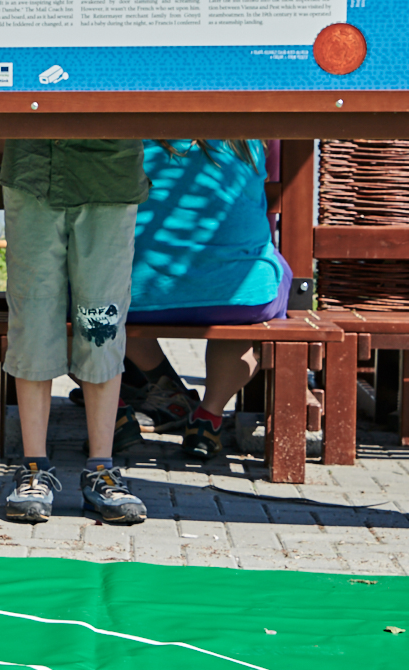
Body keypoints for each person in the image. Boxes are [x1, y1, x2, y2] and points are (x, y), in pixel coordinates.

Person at [0, 138, 148, 526]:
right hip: (33, 167)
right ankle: (34, 468)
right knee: (32, 321)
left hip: (111, 173)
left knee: (101, 324)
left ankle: (102, 470)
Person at [118, 140, 294, 464]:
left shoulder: (130, 134)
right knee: (256, 293)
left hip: (135, 294)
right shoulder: (247, 140)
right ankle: (208, 417)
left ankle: (136, 403)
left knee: (87, 308)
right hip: (239, 298)